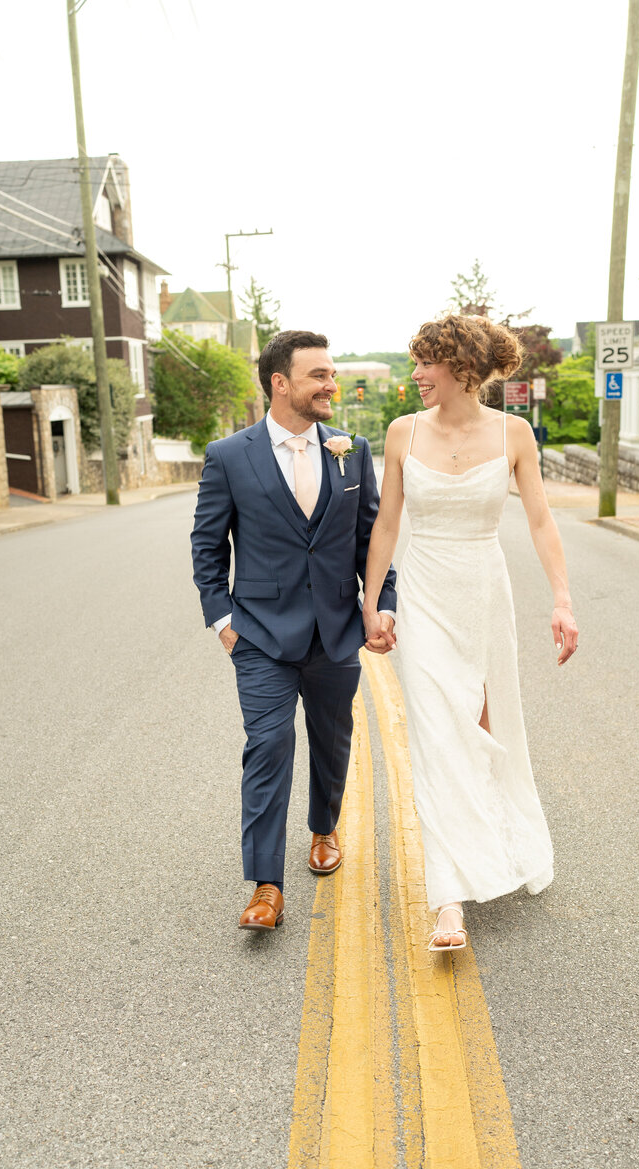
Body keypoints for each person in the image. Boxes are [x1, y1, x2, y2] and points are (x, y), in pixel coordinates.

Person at [362, 313, 578, 952]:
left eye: (426, 363)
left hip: (484, 594)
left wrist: (562, 601)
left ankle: (494, 844)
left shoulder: (515, 435)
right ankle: (448, 902)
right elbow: (385, 526)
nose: (417, 375)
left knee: (485, 726)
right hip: (424, 592)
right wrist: (372, 605)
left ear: (462, 369)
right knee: (435, 735)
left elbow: (540, 521)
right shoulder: (402, 433)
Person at [191, 330, 397, 931]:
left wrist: (381, 602)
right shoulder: (229, 455)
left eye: (332, 374)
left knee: (333, 743)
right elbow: (208, 545)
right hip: (259, 635)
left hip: (334, 632)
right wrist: (223, 620)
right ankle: (265, 886)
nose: (332, 384)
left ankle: (324, 827)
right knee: (268, 747)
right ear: (281, 384)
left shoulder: (351, 450)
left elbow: (371, 540)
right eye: (320, 376)